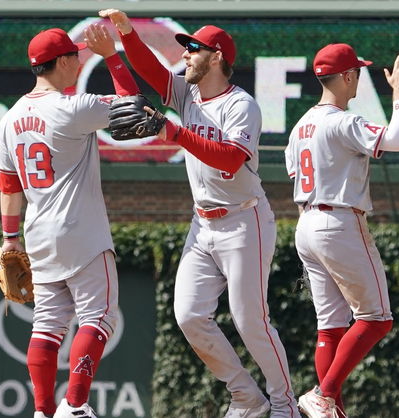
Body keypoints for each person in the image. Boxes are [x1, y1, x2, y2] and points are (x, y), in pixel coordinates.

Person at [100, 9, 299, 418]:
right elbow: (151, 72)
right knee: (189, 315)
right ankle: (245, 395)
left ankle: (285, 405)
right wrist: (126, 31)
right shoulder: (187, 93)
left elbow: (228, 159)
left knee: (251, 322)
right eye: (186, 47)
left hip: (246, 221)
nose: (186, 54)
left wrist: (172, 132)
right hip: (202, 222)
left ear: (217, 56)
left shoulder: (242, 105)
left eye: (194, 48)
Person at [0, 24, 141, 418]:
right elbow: (134, 105)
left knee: (47, 326)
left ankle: (43, 411)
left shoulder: (10, 119)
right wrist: (111, 55)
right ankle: (74, 406)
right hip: (82, 231)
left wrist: (10, 239)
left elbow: (9, 185)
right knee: (99, 317)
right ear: (61, 62)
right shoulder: (72, 107)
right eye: (75, 55)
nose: (79, 61)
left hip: (38, 233)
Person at [284, 44, 399, 418]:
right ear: (345, 77)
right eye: (356, 72)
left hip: (306, 223)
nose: (359, 77)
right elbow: (398, 140)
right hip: (339, 222)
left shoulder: (300, 126)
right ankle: (324, 395)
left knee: (330, 328)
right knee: (377, 318)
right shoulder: (342, 120)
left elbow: (296, 176)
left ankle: (331, 409)